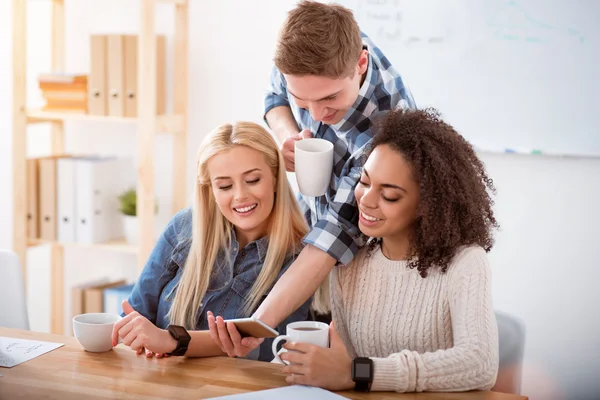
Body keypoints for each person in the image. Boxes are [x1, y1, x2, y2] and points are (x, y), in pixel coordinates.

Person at [210, 0, 416, 357]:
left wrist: (257, 325)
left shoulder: (385, 134)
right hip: (313, 232)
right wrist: (287, 133)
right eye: (303, 101)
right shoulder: (312, 51)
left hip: (372, 264)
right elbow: (275, 97)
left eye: (330, 99)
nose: (318, 115)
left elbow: (330, 241)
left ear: (360, 64)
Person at [278, 108, 500, 392]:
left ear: (427, 205)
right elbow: (344, 365)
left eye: (389, 195)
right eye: (365, 181)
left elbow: (479, 365)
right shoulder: (350, 264)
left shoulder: (466, 263)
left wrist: (362, 373)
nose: (366, 200)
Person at [111, 122, 310, 362]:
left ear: (275, 177)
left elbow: (264, 345)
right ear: (210, 189)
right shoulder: (184, 227)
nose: (240, 195)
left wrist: (169, 340)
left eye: (253, 180)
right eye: (225, 185)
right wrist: (135, 333)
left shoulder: (303, 257)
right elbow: (134, 313)